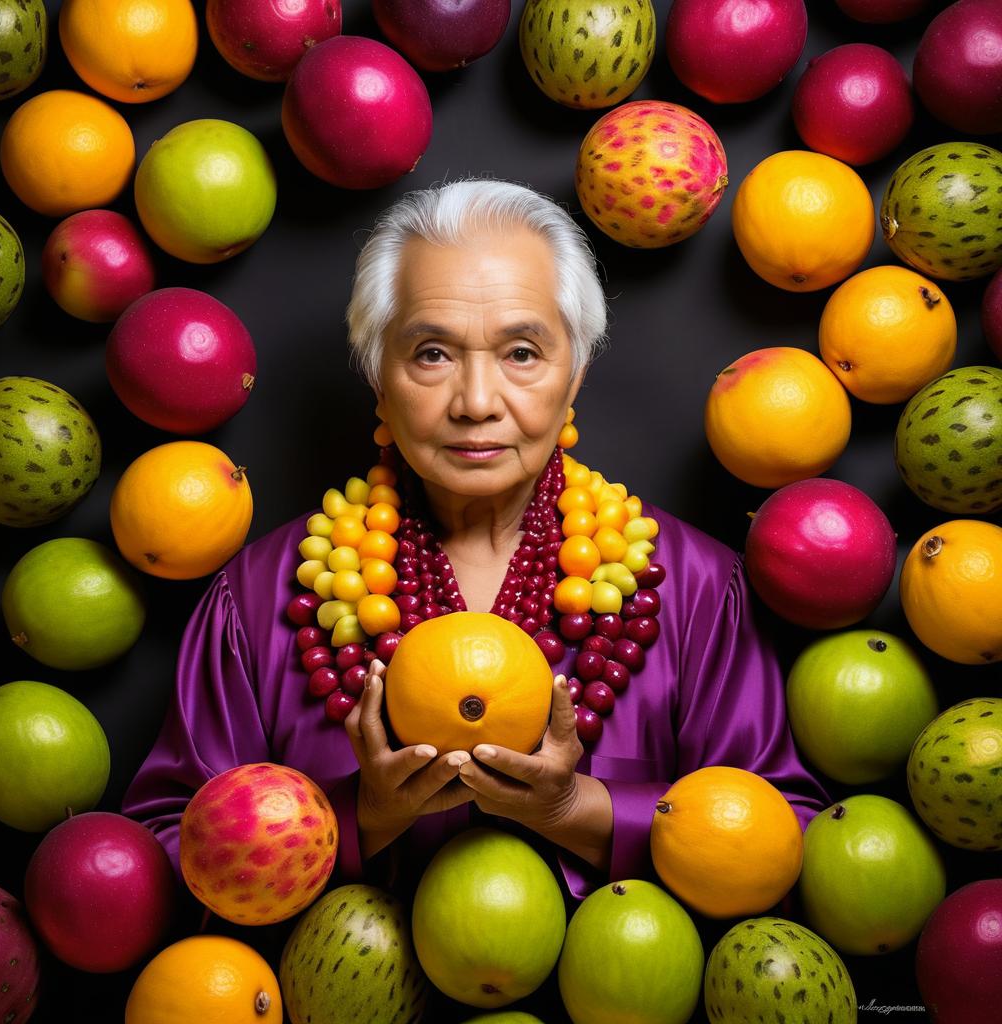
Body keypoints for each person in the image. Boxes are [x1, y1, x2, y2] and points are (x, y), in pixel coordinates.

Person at [122, 177, 829, 901]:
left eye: (522, 352)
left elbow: (783, 839)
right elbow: (166, 849)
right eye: (432, 353)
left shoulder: (693, 587)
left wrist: (572, 809)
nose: (478, 402)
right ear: (378, 376)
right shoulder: (265, 597)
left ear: (575, 374)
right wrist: (359, 817)